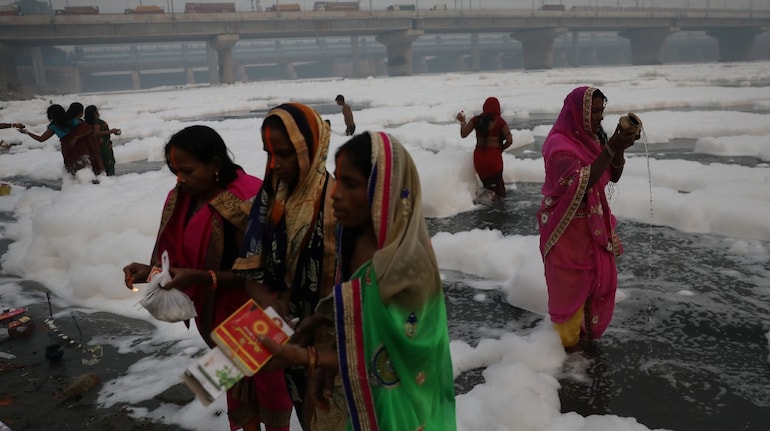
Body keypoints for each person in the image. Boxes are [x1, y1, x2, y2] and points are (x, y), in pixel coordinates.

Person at [258, 131, 458, 431]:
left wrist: (309, 358)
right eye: (337, 179)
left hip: (405, 412)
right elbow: (361, 312)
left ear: (384, 190)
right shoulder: (351, 236)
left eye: (350, 183)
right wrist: (323, 322)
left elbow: (397, 360)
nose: (336, 193)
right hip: (365, 404)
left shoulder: (408, 265)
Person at [121, 125, 291, 431]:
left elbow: (270, 272)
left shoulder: (249, 197)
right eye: (174, 171)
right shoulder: (183, 196)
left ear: (214, 165)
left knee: (269, 389)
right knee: (236, 390)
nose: (179, 179)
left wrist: (203, 277)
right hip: (214, 317)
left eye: (187, 170)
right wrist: (151, 272)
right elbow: (177, 255)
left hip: (257, 315)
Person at [232, 102, 337, 429]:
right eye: (268, 153)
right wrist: (268, 301)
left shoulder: (341, 201)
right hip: (288, 338)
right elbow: (253, 271)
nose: (274, 164)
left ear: (313, 148)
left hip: (336, 346)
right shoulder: (269, 201)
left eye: (285, 154)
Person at [537, 86, 639, 353]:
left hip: (591, 227)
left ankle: (582, 349)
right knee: (569, 290)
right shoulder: (559, 145)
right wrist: (611, 147)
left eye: (600, 111)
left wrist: (619, 148)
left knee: (594, 285)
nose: (599, 117)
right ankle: (565, 355)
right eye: (593, 111)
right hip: (565, 229)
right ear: (576, 112)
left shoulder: (590, 140)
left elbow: (611, 176)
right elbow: (581, 183)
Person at [19, 104, 102, 176]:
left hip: (69, 152)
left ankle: (75, 189)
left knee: (73, 171)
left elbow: (41, 139)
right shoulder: (74, 121)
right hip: (82, 150)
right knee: (87, 169)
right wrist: (78, 137)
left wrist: (28, 133)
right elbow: (89, 130)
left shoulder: (54, 127)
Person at [456, 96, 513, 199]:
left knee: (488, 188)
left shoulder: (476, 120)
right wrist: (501, 149)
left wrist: (463, 122)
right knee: (500, 194)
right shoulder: (500, 122)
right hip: (494, 159)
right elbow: (509, 140)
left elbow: (463, 134)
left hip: (479, 159)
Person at [84, 105, 120, 176]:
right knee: (108, 163)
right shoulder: (97, 121)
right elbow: (97, 133)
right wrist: (111, 131)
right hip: (103, 146)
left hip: (95, 146)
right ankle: (110, 179)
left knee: (99, 164)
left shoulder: (87, 123)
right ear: (95, 113)